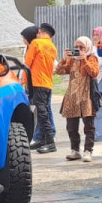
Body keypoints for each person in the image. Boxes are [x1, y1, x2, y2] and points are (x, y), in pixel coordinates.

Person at [57, 36, 101, 162]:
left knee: (89, 127)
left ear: (87, 47)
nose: (78, 49)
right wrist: (64, 59)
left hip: (87, 97)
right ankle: (75, 150)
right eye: (76, 47)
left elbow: (94, 73)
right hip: (72, 97)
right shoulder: (72, 60)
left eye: (81, 47)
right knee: (71, 127)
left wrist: (84, 60)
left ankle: (88, 151)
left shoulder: (92, 58)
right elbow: (59, 71)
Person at [25, 23, 58, 153]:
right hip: (47, 83)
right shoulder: (52, 47)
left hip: (37, 82)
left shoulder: (36, 43)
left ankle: (50, 142)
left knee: (42, 113)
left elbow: (27, 64)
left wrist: (24, 81)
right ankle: (43, 140)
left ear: (39, 32)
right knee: (45, 112)